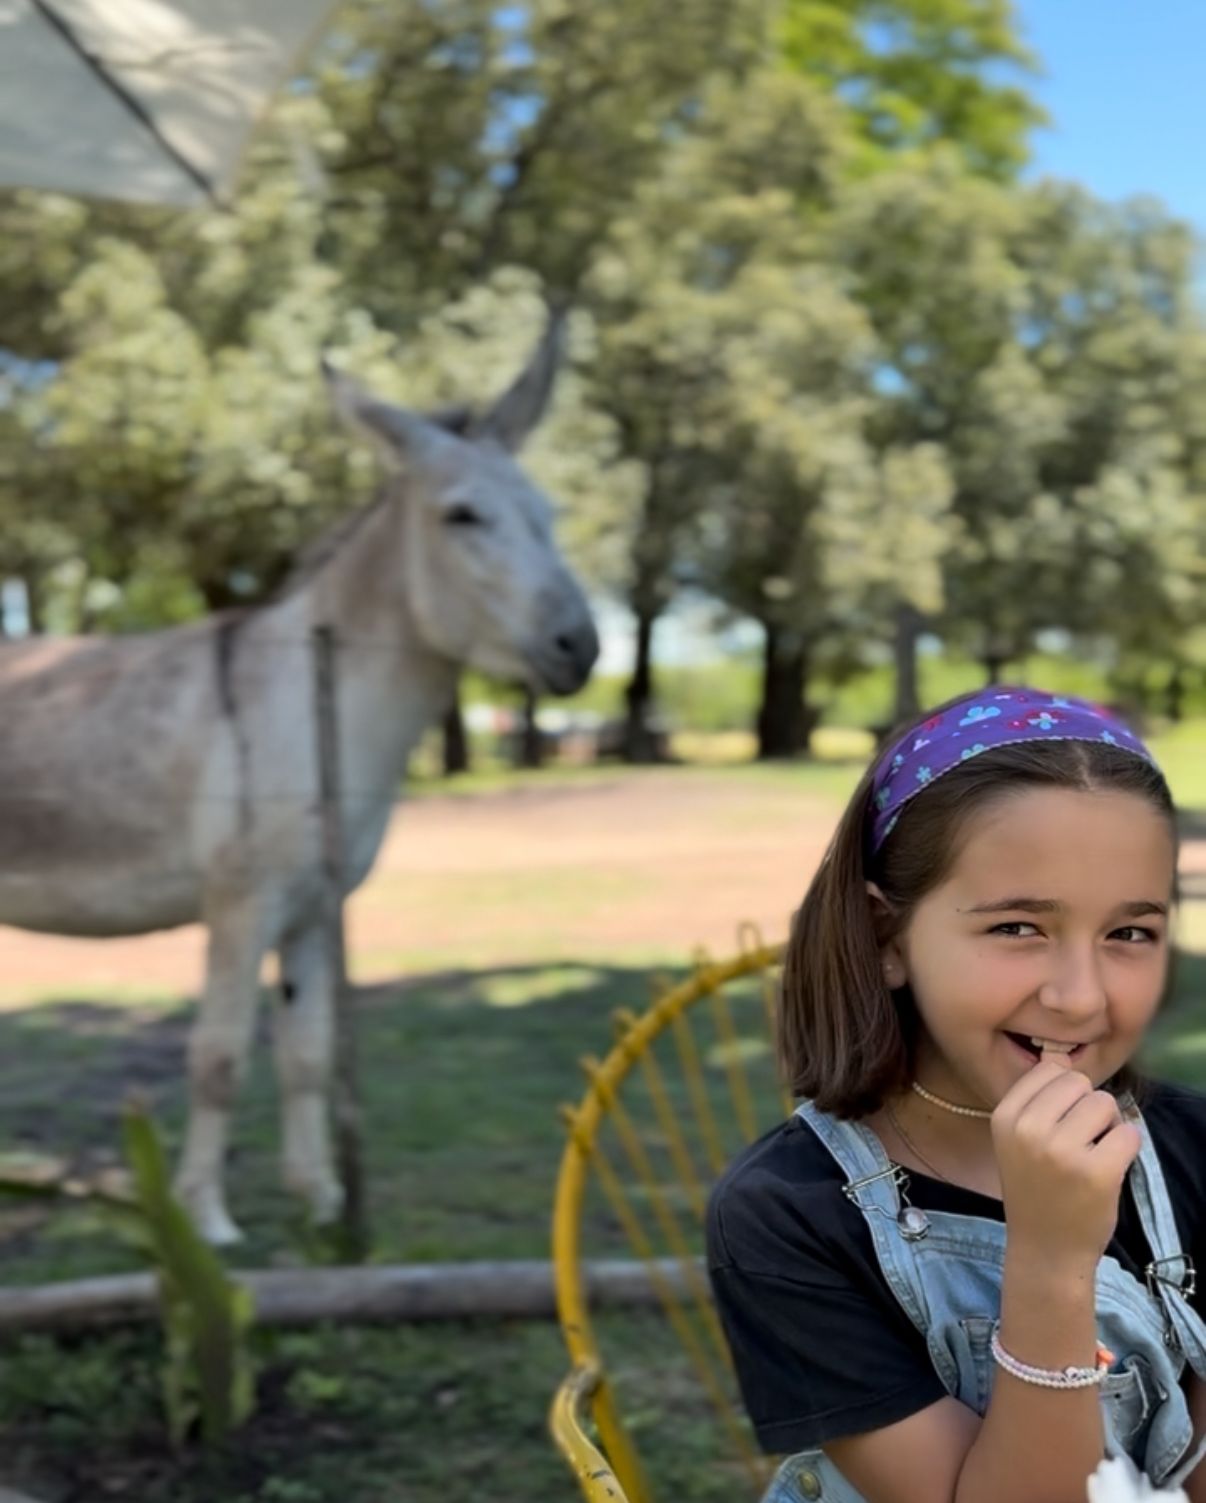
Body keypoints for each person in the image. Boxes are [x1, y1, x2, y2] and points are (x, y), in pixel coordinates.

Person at [706, 685, 1206, 1503]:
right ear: (887, 937)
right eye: (1018, 927)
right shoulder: (787, 1215)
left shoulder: (1194, 1150)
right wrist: (1050, 1262)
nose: (1080, 996)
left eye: (1129, 932)